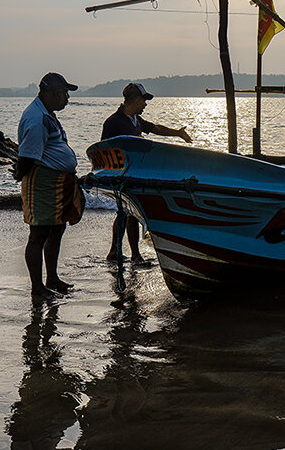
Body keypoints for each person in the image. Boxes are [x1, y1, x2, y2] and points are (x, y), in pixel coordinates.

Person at [100, 82, 192, 263]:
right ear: (134, 100)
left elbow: (156, 128)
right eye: (144, 100)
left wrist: (177, 133)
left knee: (126, 212)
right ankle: (134, 255)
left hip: (135, 174)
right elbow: (103, 149)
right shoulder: (113, 122)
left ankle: (116, 252)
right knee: (129, 212)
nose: (145, 104)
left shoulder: (136, 120)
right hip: (121, 176)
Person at [14, 72, 85, 299]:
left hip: (56, 180)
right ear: (54, 93)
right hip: (42, 181)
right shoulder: (37, 118)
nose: (67, 98)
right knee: (38, 233)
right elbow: (27, 156)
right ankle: (37, 288)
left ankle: (52, 278)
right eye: (65, 93)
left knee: (57, 227)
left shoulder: (47, 113)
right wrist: (19, 174)